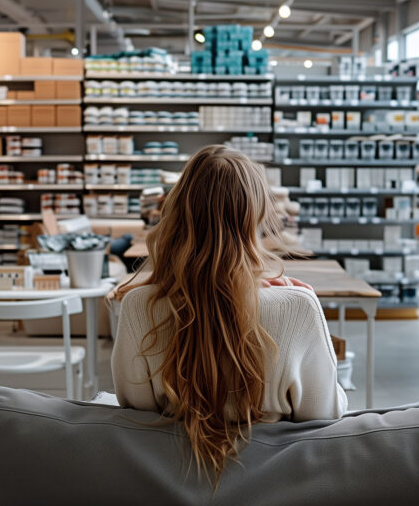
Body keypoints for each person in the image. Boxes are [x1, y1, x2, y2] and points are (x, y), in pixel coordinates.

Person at [112, 144, 347, 484]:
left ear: (178, 210)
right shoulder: (298, 306)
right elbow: (325, 414)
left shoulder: (138, 305)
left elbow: (136, 413)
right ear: (255, 214)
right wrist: (301, 300)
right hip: (274, 487)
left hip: (174, 484)